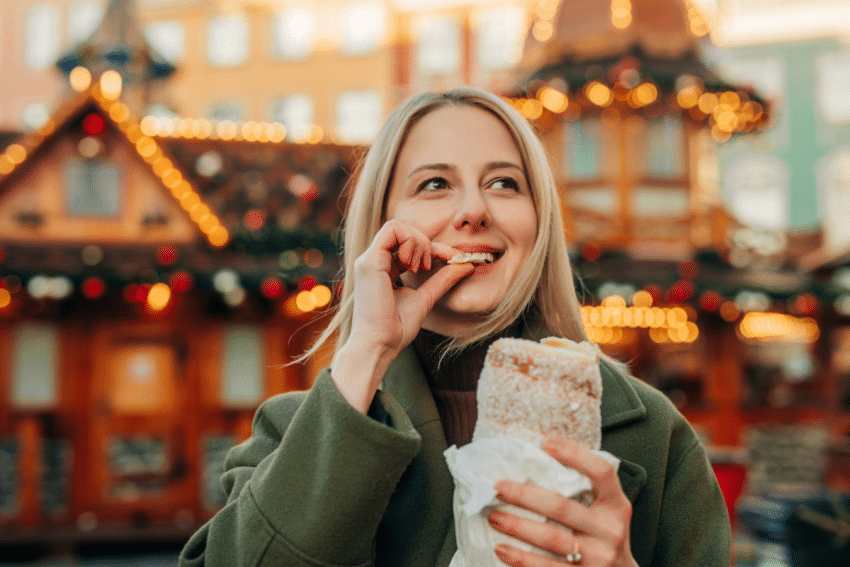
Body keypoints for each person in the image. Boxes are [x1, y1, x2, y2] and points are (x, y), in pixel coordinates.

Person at [178, 87, 730, 567]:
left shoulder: (657, 437)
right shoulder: (291, 432)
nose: (474, 211)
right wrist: (367, 349)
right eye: (435, 184)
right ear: (382, 225)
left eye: (505, 184)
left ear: (540, 224)